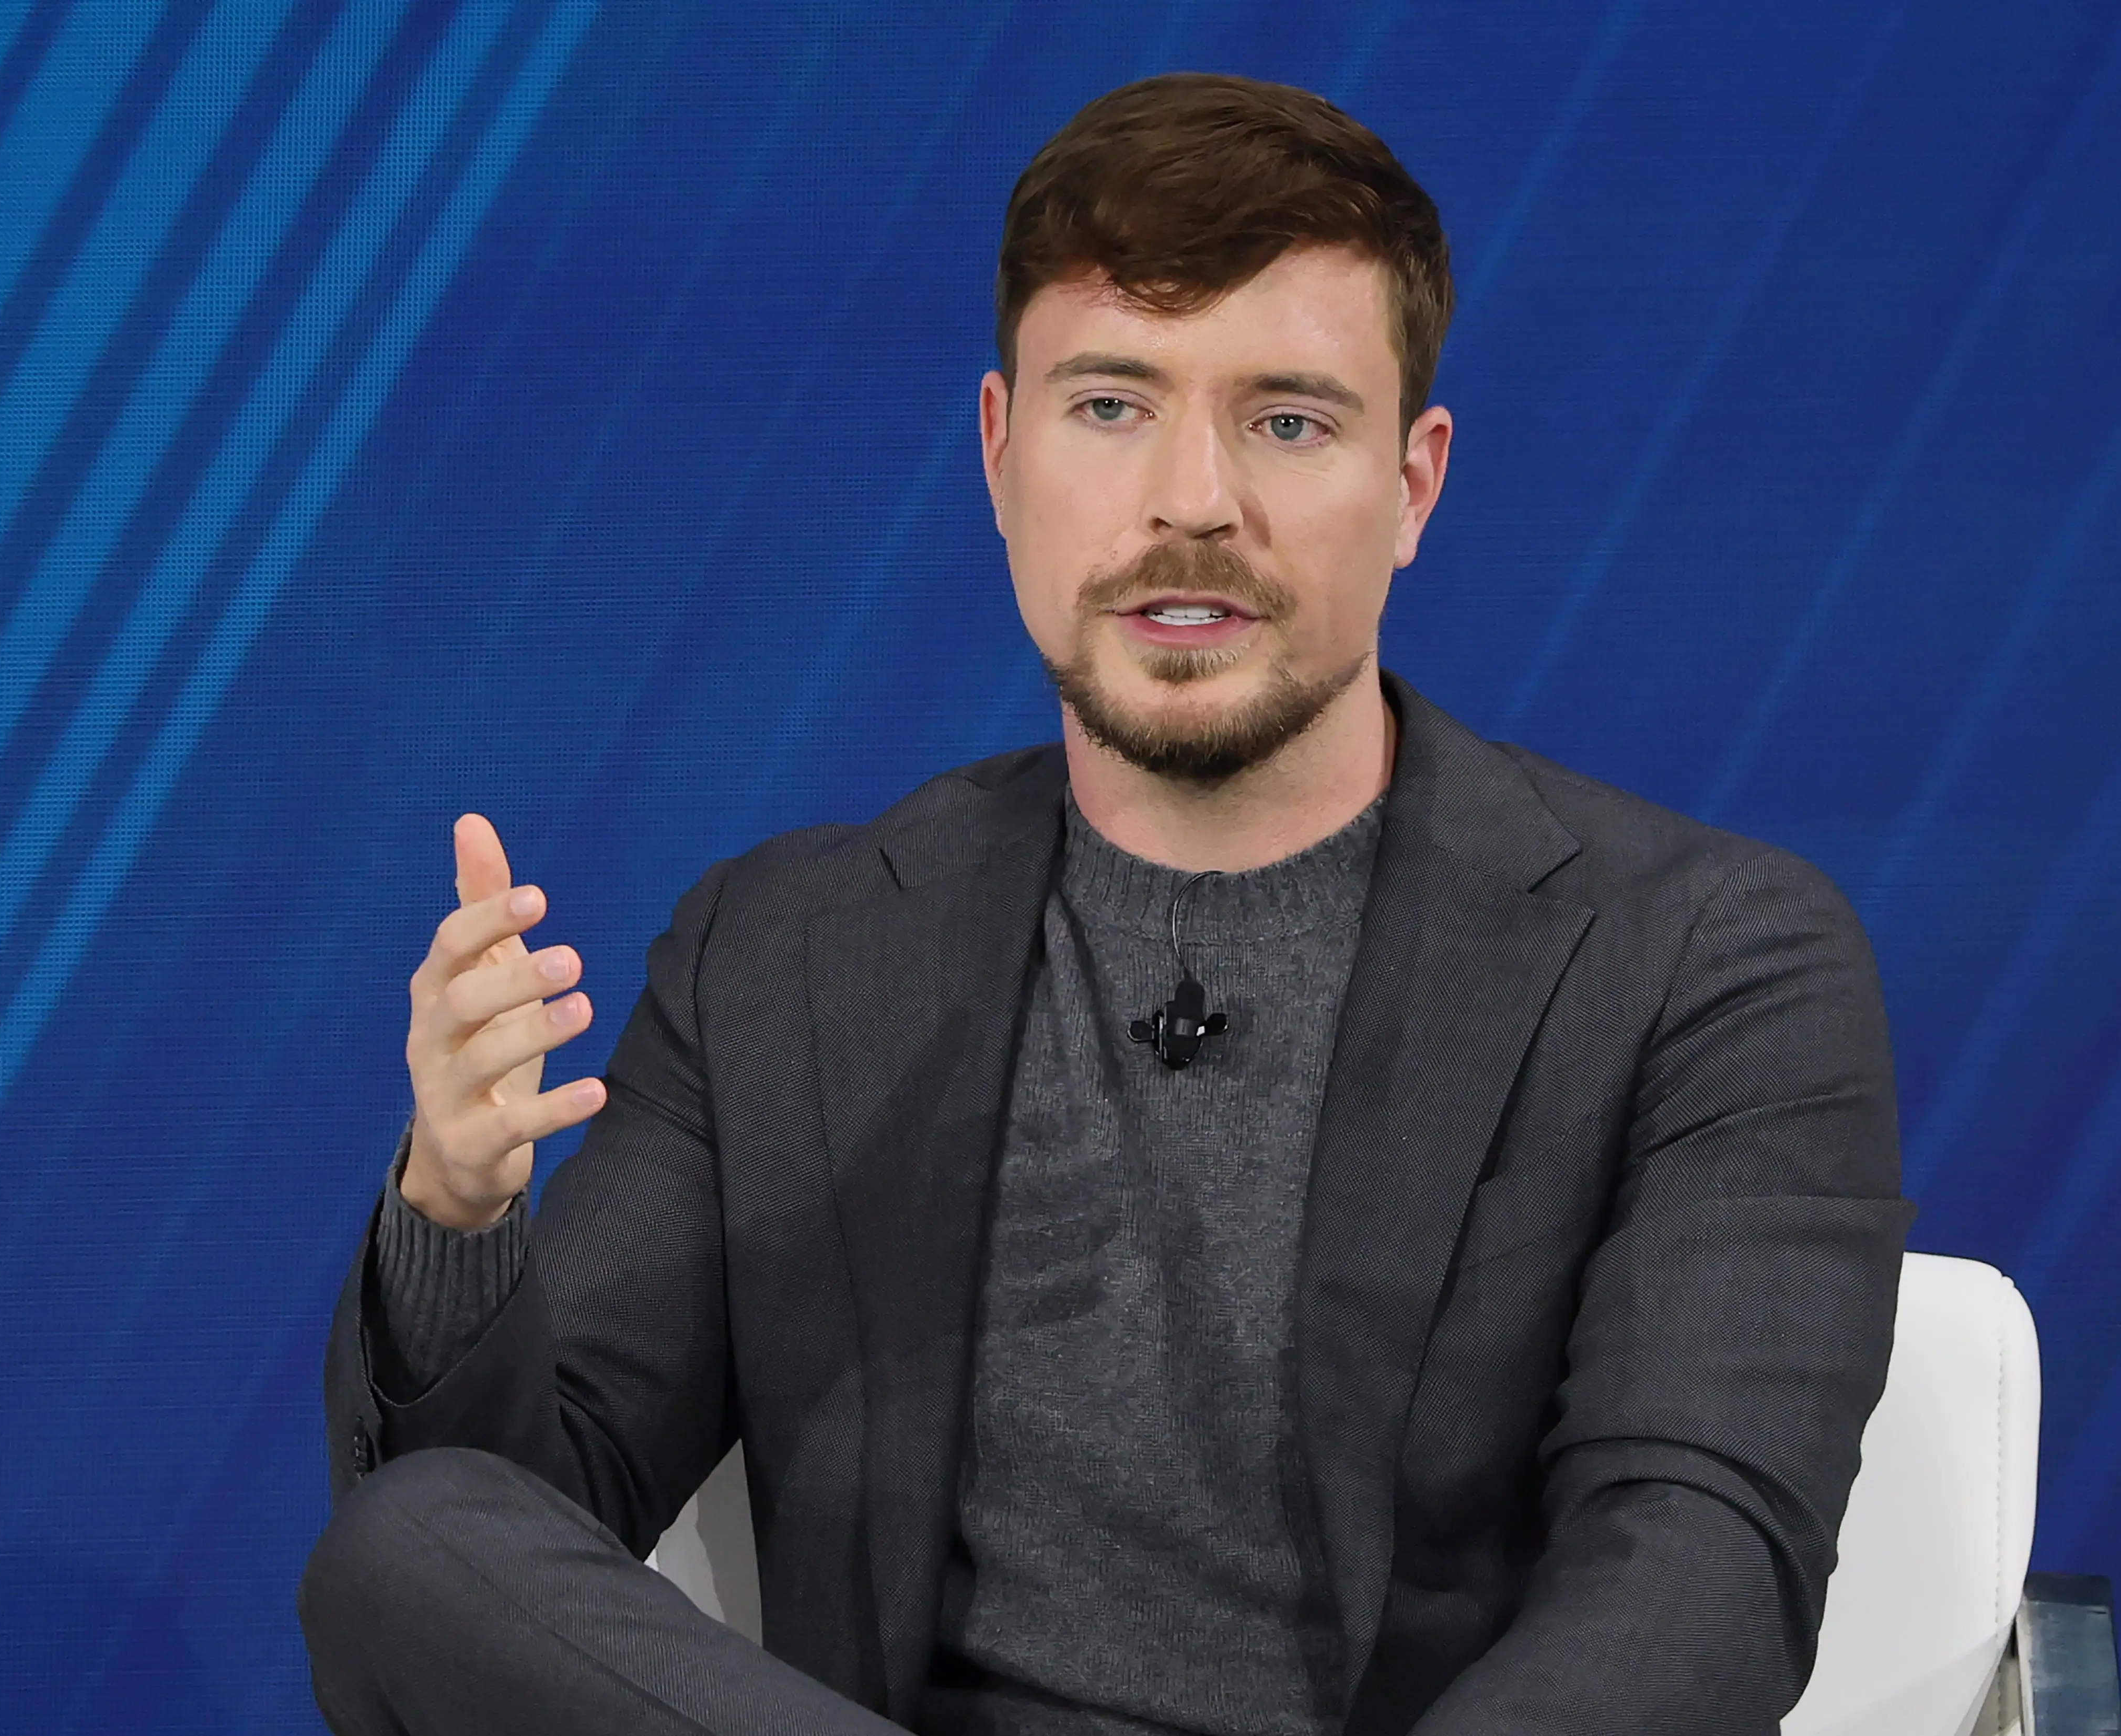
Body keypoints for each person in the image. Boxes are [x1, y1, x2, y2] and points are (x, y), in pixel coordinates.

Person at [298, 71, 1912, 1736]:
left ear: (1415, 483)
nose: (1192, 502)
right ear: (1001, 454)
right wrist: (460, 1219)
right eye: (1111, 405)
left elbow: (1695, 1581)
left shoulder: (1702, 958)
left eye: (1286, 419)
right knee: (413, 1544)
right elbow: (529, 1541)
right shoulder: (782, 954)